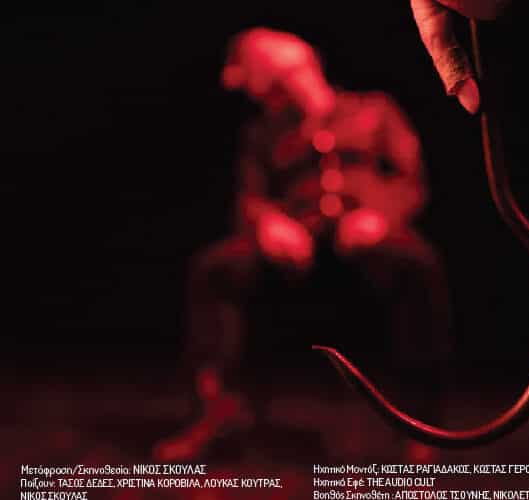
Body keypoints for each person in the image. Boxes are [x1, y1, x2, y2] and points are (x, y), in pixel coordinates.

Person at [153, 27, 451, 462]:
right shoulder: (264, 132)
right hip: (297, 246)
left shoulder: (375, 110)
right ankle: (217, 412)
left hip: (365, 240)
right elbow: (250, 199)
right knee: (215, 268)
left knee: (417, 263)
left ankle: (421, 424)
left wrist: (381, 216)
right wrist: (268, 223)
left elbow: (410, 180)